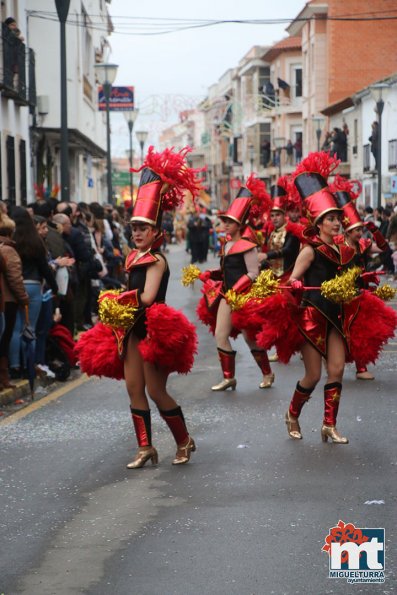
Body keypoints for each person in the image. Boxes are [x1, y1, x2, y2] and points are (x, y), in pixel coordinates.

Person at [76, 146, 200, 468]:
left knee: (157, 392)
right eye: (134, 228)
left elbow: (146, 298)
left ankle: (184, 441)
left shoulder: (157, 260)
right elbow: (130, 292)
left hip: (152, 331)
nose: (137, 233)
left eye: (143, 228)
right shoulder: (132, 257)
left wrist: (113, 299)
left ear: (157, 232)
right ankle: (145, 448)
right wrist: (115, 303)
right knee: (134, 389)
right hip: (130, 330)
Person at [284, 160, 356, 444]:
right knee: (313, 375)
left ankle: (329, 424)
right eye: (330, 218)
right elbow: (292, 280)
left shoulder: (344, 250)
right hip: (312, 316)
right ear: (318, 223)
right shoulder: (309, 250)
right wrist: (297, 283)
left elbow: (352, 281)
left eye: (338, 217)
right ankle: (292, 413)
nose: (336, 222)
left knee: (336, 369)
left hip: (336, 315)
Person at [197, 176, 275, 391]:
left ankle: (268, 373)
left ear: (239, 224)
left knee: (251, 339)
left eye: (229, 222)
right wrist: (209, 274)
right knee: (221, 335)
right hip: (226, 296)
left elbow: (252, 273)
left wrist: (236, 291)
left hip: (244, 298)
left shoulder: (247, 245)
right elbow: (226, 271)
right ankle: (229, 377)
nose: (225, 225)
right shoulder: (226, 244)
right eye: (225, 221)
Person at [331, 181, 391, 380]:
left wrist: (374, 230)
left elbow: (383, 248)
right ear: (347, 231)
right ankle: (331, 362)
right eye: (356, 230)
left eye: (360, 229)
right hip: (343, 293)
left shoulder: (364, 244)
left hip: (362, 293)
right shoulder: (338, 245)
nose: (359, 233)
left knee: (362, 330)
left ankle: (361, 368)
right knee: (341, 331)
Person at [0, 213, 29, 389]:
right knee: (6, 336)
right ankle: (4, 378)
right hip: (7, 300)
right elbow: (14, 278)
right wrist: (24, 298)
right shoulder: (8, 249)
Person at [259, 180, 300, 282]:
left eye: (277, 215)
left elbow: (288, 250)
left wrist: (266, 255)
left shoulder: (292, 231)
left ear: (284, 215)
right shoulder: (271, 232)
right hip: (272, 277)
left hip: (288, 276)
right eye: (272, 215)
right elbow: (266, 252)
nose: (274, 218)